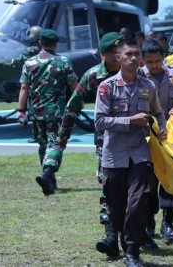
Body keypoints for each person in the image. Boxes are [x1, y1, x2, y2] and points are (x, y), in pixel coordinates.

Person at [94, 38, 167, 267]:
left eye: (137, 54)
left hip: (140, 154)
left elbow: (158, 112)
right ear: (118, 57)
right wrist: (130, 121)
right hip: (114, 155)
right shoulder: (107, 87)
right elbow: (99, 121)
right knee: (117, 206)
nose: (134, 58)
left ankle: (133, 252)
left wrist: (162, 127)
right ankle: (121, 239)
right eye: (128, 54)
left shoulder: (148, 86)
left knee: (138, 202)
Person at [57, 32, 125, 258]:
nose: (119, 56)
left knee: (135, 189)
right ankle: (110, 237)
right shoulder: (92, 76)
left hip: (136, 141)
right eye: (114, 52)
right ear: (104, 55)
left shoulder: (134, 72)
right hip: (105, 142)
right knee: (108, 185)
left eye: (120, 51)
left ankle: (133, 235)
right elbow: (73, 106)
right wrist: (62, 138)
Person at [141, 39, 173, 244]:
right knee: (148, 182)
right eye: (150, 61)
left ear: (164, 58)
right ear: (143, 60)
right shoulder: (137, 76)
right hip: (146, 138)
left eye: (157, 61)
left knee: (171, 181)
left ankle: (168, 223)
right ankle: (148, 221)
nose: (154, 65)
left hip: (172, 137)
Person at [17, 29, 78, 196]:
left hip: (36, 112)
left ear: (40, 43)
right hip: (56, 112)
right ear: (55, 44)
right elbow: (75, 86)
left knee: (44, 144)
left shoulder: (29, 63)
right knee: (56, 143)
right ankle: (48, 173)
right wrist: (76, 106)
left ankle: (50, 181)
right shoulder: (63, 62)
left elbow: (24, 87)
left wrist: (21, 111)